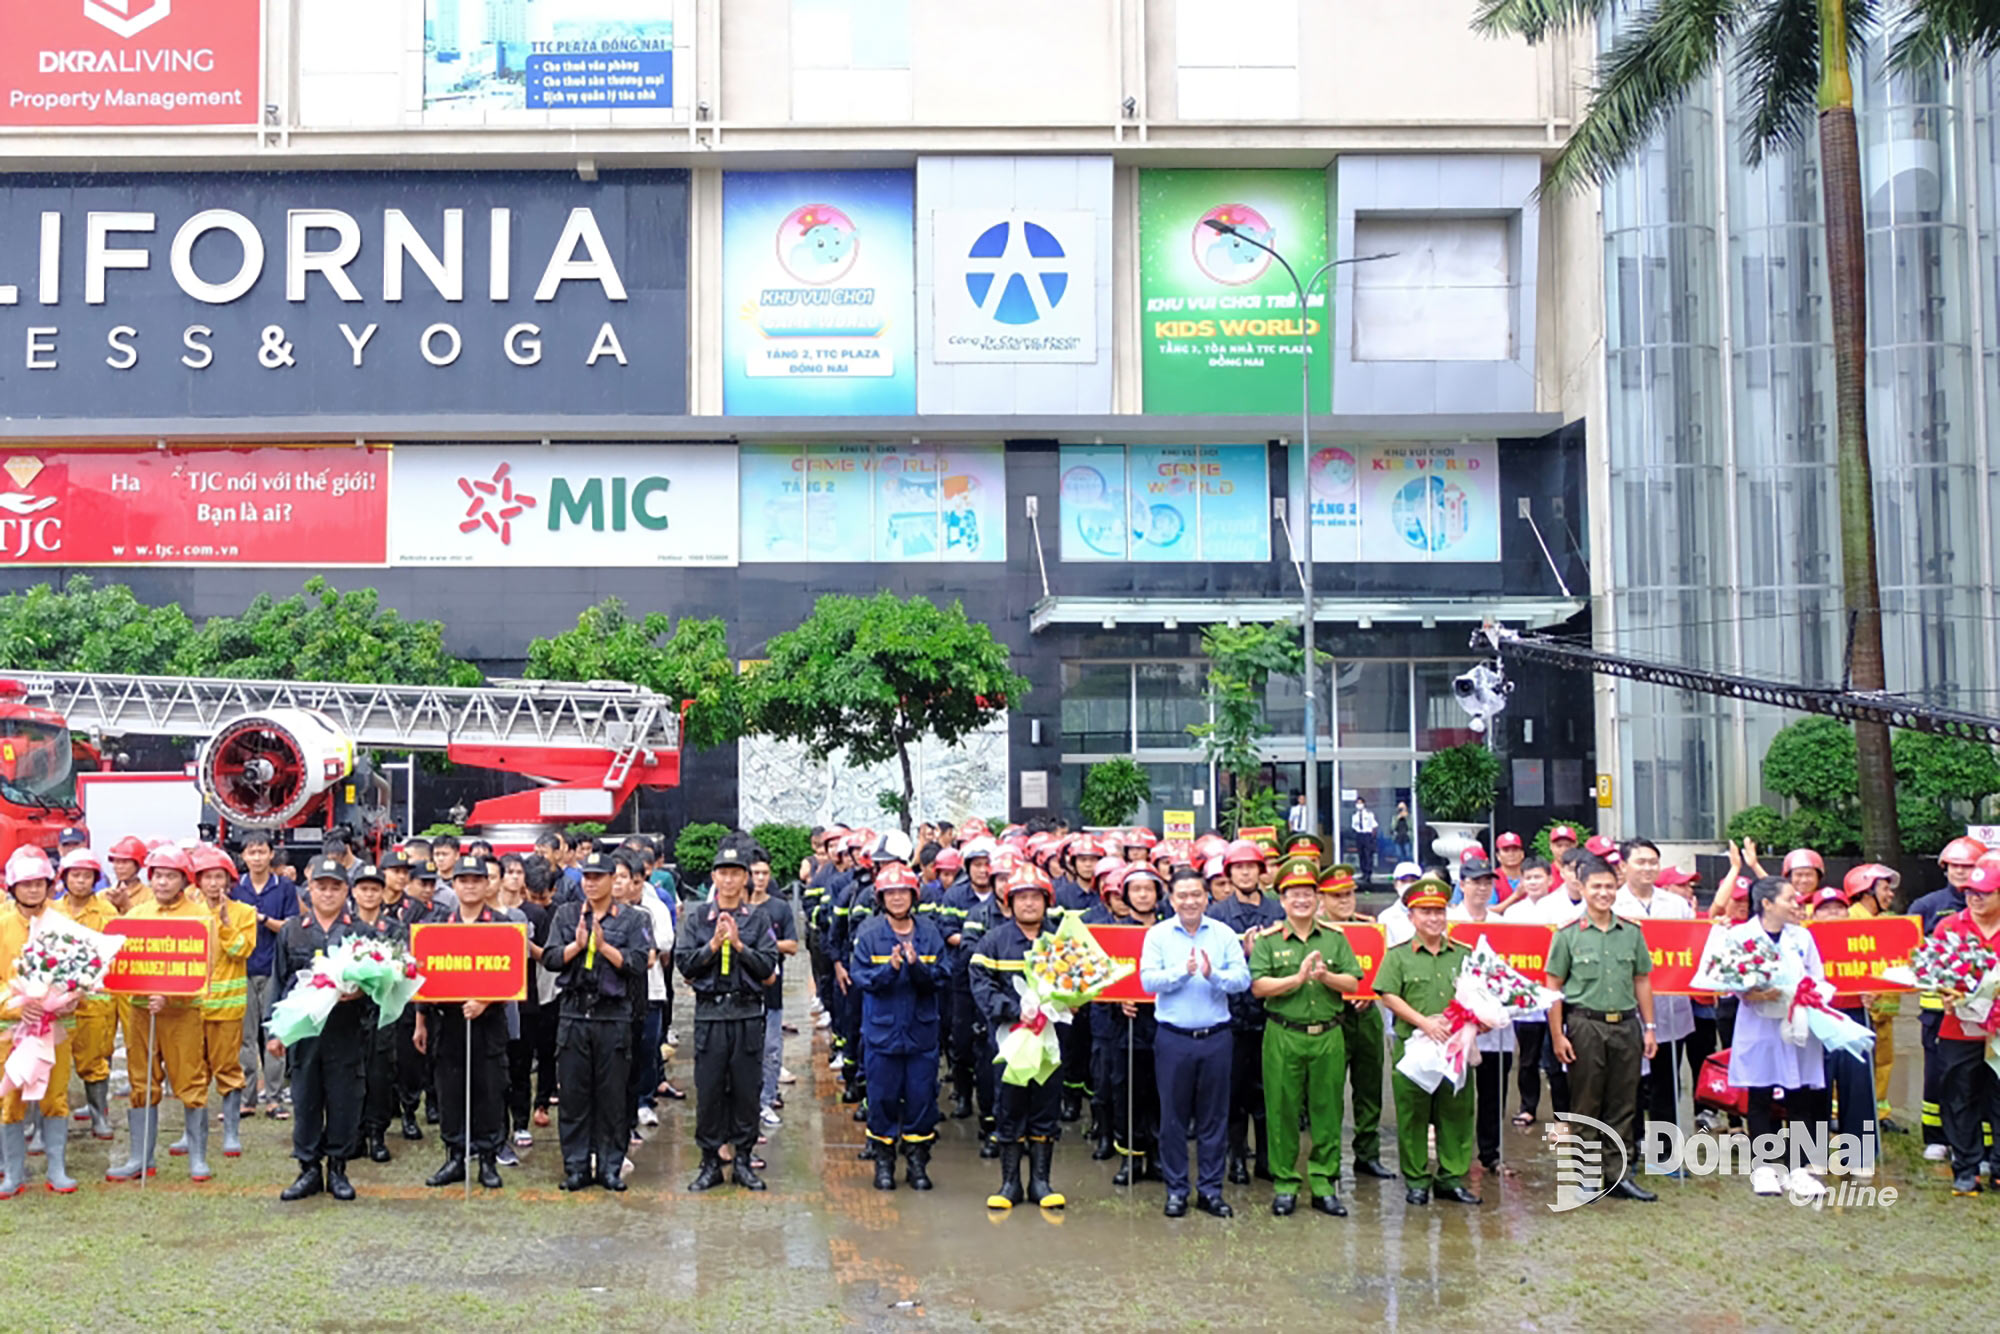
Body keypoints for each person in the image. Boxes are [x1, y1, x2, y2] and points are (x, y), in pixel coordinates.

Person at [1251, 860, 1363, 1218]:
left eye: (1307, 894)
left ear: (1317, 898)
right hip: (1284, 1033)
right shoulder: (1268, 940)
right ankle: (1285, 1184)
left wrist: (1326, 977)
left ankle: (1323, 1183)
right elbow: (1258, 986)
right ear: (1282, 900)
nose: (1301, 900)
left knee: (1327, 1110)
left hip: (1328, 1034)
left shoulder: (1335, 938)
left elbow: (1353, 982)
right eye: (1293, 894)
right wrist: (1296, 980)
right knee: (1282, 1110)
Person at [1141, 867, 1252, 1219]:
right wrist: (1182, 973)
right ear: (1171, 900)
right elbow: (1148, 981)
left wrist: (1212, 975)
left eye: (1196, 895)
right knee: (1173, 1119)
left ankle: (1210, 1191)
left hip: (1216, 1037)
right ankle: (1176, 1190)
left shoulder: (1223, 933)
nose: (1190, 901)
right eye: (1182, 895)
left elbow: (1242, 979)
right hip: (1173, 1039)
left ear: (1207, 897)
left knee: (1213, 1119)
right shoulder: (1158, 935)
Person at [1546, 856, 1658, 1202]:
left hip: (1625, 1024)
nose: (1603, 893)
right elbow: (1553, 986)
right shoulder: (1567, 934)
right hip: (1585, 1025)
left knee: (1624, 1103)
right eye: (1596, 886)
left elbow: (1642, 980)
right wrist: (1558, 1035)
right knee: (1586, 1102)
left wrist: (1649, 1027)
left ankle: (1618, 1176)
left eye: (1609, 886)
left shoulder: (1632, 932)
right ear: (1582, 888)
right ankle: (1585, 1175)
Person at [676, 833, 780, 1192]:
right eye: (723, 873)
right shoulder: (698, 919)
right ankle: (709, 1163)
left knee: (746, 1090)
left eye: (736, 873)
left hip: (747, 1014)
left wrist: (738, 945)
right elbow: (685, 965)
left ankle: (743, 1160)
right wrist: (713, 945)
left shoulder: (758, 919)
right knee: (709, 1091)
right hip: (710, 1014)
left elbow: (767, 968)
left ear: (745, 877)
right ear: (714, 877)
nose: (730, 880)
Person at [540, 850, 649, 1192]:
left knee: (612, 1096)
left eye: (598, 877)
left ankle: (609, 1166)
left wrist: (603, 948)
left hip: (612, 1015)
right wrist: (577, 946)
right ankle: (576, 1167)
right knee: (573, 1096)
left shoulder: (632, 919)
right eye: (587, 876)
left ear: (612, 880)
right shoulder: (567, 913)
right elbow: (551, 958)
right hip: (574, 1013)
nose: (590, 883)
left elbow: (638, 962)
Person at [107, 844, 215, 1185]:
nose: (163, 883)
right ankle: (141, 1157)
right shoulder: (136, 915)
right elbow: (120, 961)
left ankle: (197, 1156)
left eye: (170, 876)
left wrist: (171, 994)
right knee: (141, 1082)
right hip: (141, 1012)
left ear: (184, 879)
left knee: (190, 1081)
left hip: (183, 1013)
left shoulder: (200, 917)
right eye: (157, 876)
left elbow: (204, 968)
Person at [1374, 875, 1481, 1206]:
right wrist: (1423, 1022)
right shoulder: (1398, 956)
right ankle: (1417, 1180)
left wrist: (1477, 1021)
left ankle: (1451, 1178)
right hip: (1414, 1047)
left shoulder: (1463, 954)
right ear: (1411, 917)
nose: (1434, 918)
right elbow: (1388, 994)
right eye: (1425, 912)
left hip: (1454, 1048)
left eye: (1439, 912)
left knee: (1456, 1112)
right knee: (1413, 1115)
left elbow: (1478, 995)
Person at [970, 865, 1069, 1212]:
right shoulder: (993, 941)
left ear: (1047, 901)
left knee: (1046, 1105)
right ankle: (1009, 1183)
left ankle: (1041, 1182)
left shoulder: (1060, 943)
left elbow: (1079, 982)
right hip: (1008, 1039)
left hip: (1050, 1039)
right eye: (1022, 897)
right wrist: (1013, 1010)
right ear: (1009, 903)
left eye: (1035, 897)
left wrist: (1067, 1004)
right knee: (1009, 1106)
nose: (1029, 904)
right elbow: (980, 984)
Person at [269, 858, 368, 1202]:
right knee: (306, 1100)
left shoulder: (361, 933)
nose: (327, 893)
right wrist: (275, 1032)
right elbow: (279, 983)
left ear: (346, 891)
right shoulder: (292, 930)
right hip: (304, 1033)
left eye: (334, 887)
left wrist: (360, 993)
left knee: (344, 1101)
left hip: (346, 1031)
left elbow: (379, 990)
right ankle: (308, 1169)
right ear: (309, 889)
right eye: (321, 887)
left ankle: (338, 1169)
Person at [1727, 876, 1831, 1199]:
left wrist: (1805, 993)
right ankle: (1763, 1168)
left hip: (1796, 1022)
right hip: (1758, 1024)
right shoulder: (1740, 936)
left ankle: (1798, 1169)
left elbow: (1817, 976)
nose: (1796, 904)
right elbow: (1727, 979)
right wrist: (1754, 993)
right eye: (1789, 898)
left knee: (1798, 1095)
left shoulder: (1802, 937)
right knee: (1759, 1094)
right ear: (1767, 903)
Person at [850, 862, 949, 1191]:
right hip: (883, 1035)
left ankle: (918, 1163)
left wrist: (916, 966)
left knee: (921, 1099)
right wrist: (889, 970)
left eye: (902, 892)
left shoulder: (929, 933)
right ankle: (884, 1163)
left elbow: (942, 977)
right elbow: (861, 979)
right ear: (880, 897)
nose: (896, 898)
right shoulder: (868, 933)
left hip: (921, 1035)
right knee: (882, 1099)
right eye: (890, 893)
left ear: (913, 895)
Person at [417, 857, 514, 1191]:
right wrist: (420, 1021)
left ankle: (488, 1159)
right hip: (448, 1024)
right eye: (463, 880)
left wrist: (485, 1000)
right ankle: (455, 1156)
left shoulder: (501, 926)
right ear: (454, 884)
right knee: (450, 1092)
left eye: (476, 880)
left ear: (487, 884)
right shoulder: (437, 925)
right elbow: (425, 977)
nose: (470, 886)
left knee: (489, 1090)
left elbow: (511, 975)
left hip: (488, 1023)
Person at [0, 848, 79, 1195]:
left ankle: (57, 1169)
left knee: (55, 1095)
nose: (33, 890)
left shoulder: (63, 924)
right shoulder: (2, 926)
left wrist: (70, 999)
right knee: (10, 1098)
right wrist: (14, 1006)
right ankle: (13, 1173)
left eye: (39, 883)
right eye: (26, 884)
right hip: (10, 1030)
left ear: (49, 886)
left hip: (56, 1028)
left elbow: (81, 970)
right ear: (13, 887)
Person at [1613, 838, 1696, 1163]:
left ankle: (1665, 1154)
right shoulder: (1613, 905)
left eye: (1653, 862)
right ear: (1623, 866)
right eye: (1640, 861)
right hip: (1627, 1010)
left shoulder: (1676, 905)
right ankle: (1630, 1150)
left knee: (1667, 1083)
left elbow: (1693, 947)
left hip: (1671, 1009)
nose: (1648, 868)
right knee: (1629, 1083)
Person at [1208, 837, 1283, 1185]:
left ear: (1261, 871)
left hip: (1271, 1014)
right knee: (1233, 1091)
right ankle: (1236, 1157)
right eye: (1238, 868)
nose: (1245, 873)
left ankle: (1266, 1159)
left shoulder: (1278, 912)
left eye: (1250, 867)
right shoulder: (1216, 915)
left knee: (1268, 1090)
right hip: (1231, 1016)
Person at [1315, 866, 1396, 1182]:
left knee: (1369, 1089)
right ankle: (1330, 1157)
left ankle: (1367, 1154)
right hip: (1331, 1015)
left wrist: (1371, 993)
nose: (1344, 900)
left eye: (1348, 894)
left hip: (1366, 1015)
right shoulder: (1318, 932)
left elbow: (1382, 968)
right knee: (1329, 1091)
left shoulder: (1369, 928)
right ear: (1322, 898)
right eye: (1336, 895)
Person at [180, 845, 255, 1162]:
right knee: (192, 1071)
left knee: (228, 1069)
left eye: (219, 877)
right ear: (197, 881)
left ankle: (231, 1133)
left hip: (227, 1007)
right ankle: (190, 1133)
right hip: (192, 1008)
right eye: (207, 877)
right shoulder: (188, 913)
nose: (213, 884)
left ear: (229, 880)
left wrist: (225, 923)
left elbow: (242, 951)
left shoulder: (244, 913)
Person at [1911, 836, 1983, 1161]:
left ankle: (1976, 1143)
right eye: (1955, 865)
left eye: (1968, 866)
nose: (1961, 871)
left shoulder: (1988, 907)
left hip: (1982, 1012)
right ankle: (1936, 1136)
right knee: (1937, 1074)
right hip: (1936, 1011)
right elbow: (1910, 956)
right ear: (1944, 868)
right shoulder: (1926, 907)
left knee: (1977, 1079)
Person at [1930, 860, 2000, 1196]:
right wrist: (1944, 993)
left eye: (1984, 892)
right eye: (1970, 892)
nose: (1975, 898)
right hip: (1959, 1027)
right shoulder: (1949, 927)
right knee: (1959, 1097)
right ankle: (1966, 1169)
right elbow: (1933, 971)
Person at [1093, 865, 1163, 1185]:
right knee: (1127, 1094)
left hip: (1164, 1025)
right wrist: (1117, 999)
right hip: (1125, 1029)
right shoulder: (1113, 934)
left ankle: (1158, 1156)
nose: (1143, 895)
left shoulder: (1171, 931)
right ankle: (1130, 1158)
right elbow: (1096, 984)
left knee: (1160, 1094)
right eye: (1136, 889)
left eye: (1149, 889)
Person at [1448, 858, 1517, 1175]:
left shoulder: (1504, 924)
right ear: (1462, 884)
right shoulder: (1450, 923)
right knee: (1455, 1092)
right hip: (1459, 1023)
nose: (1482, 888)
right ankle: (1454, 1152)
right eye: (1476, 882)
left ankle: (1490, 1153)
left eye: (1487, 882)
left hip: (1496, 1026)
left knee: (1494, 1092)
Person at [346, 862, 407, 1166]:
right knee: (351, 1074)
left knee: (381, 1075)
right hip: (350, 1013)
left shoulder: (394, 929)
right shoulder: (345, 928)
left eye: (375, 889)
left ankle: (377, 1134)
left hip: (384, 1012)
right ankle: (355, 1133)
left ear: (383, 893)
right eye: (364, 889)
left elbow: (404, 966)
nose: (369, 894)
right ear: (354, 892)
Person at [54, 848, 118, 1142]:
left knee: (94, 1059)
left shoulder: (107, 912)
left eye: (87, 876)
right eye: (75, 875)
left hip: (94, 999)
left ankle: (99, 1116)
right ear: (64, 878)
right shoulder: (51, 911)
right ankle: (47, 1121)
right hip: (57, 1002)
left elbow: (113, 953)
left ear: (95, 879)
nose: (81, 881)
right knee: (52, 1062)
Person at [944, 838, 1003, 1153]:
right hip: (965, 981)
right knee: (964, 1041)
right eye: (977, 865)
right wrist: (989, 947)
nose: (983, 870)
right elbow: (949, 932)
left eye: (987, 865)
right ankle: (964, 1095)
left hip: (1003, 988)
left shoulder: (1017, 903)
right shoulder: (957, 897)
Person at [231, 833, 294, 1121]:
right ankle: (246, 1099)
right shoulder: (236, 889)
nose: (256, 857)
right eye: (251, 852)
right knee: (245, 1038)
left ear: (271, 855)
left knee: (274, 1034)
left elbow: (291, 928)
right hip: (241, 969)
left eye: (261, 852)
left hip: (274, 970)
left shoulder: (285, 887)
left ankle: (274, 1098)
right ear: (243, 856)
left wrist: (263, 920)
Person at [1843, 863, 1904, 1130]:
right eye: (1885, 888)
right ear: (1866, 891)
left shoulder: (1887, 922)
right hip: (1859, 1007)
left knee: (1884, 1061)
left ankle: (1879, 1112)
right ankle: (1843, 1112)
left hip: (1885, 1008)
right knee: (1855, 1063)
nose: (1890, 894)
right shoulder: (1847, 921)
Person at [749, 851, 797, 1131]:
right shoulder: (737, 907)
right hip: (743, 991)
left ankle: (766, 1101)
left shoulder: (779, 908)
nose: (760, 878)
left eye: (764, 873)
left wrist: (762, 945)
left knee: (771, 1049)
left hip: (772, 990)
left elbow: (792, 945)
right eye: (755, 873)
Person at [1350, 799, 1380, 885]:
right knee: (1361, 854)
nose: (1359, 805)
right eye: (1357, 803)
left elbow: (1374, 825)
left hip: (1367, 835)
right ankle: (1363, 872)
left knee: (1368, 855)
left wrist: (1372, 837)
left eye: (1360, 803)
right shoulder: (1355, 816)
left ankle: (1368, 874)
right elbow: (1354, 826)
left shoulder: (1369, 814)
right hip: (1359, 835)